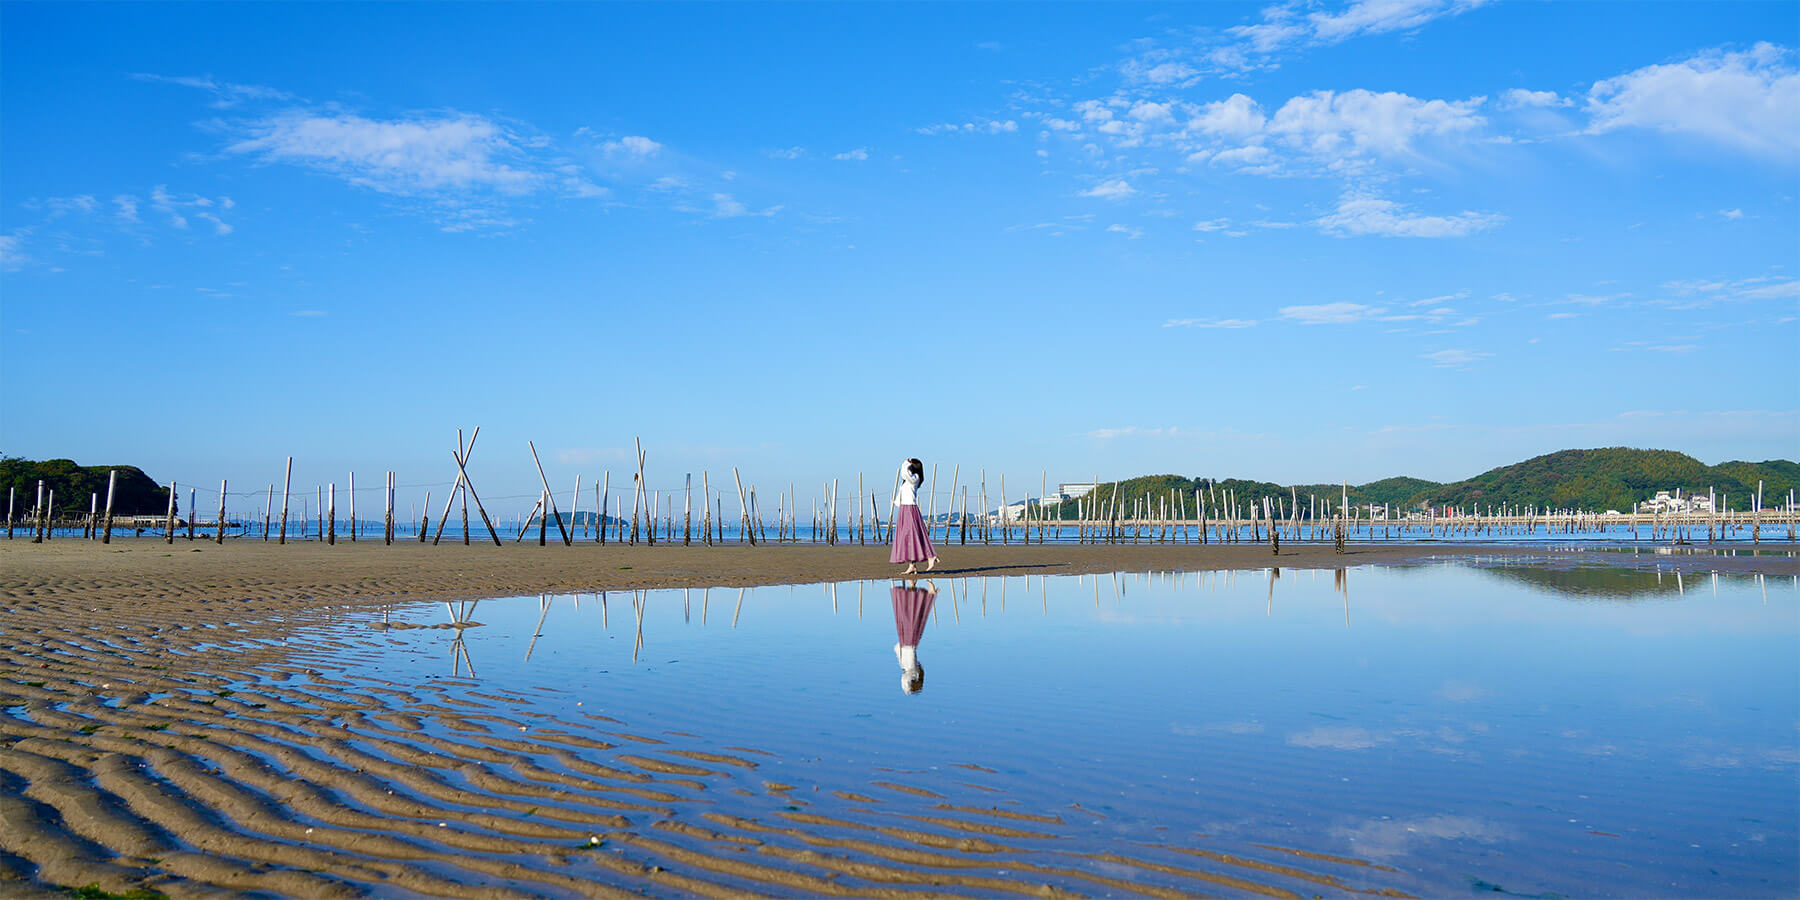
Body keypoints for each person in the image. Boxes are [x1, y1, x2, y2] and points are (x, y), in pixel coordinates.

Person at [889, 458, 938, 575]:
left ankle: (931, 556)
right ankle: (912, 565)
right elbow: (903, 484)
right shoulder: (908, 481)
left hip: (910, 509)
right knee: (906, 538)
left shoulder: (915, 478)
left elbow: (904, 473)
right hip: (904, 509)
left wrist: (906, 463)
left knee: (911, 535)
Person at [891, 580, 935, 694]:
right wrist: (907, 690)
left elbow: (896, 648)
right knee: (913, 616)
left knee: (910, 615)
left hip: (908, 641)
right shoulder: (913, 671)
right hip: (909, 641)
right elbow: (904, 679)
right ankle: (926, 593)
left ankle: (913, 587)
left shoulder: (909, 668)